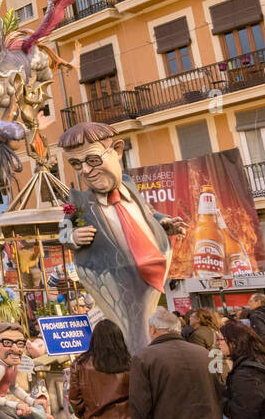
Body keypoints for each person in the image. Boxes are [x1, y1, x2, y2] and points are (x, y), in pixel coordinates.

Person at [57, 121, 186, 353]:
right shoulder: (80, 204)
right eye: (76, 164)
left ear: (117, 150)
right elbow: (64, 232)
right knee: (133, 332)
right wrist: (74, 236)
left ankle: (145, 362)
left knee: (145, 326)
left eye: (93, 160)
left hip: (152, 266)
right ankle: (139, 363)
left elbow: (148, 214)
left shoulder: (129, 187)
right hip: (113, 277)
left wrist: (164, 222)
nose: (85, 170)